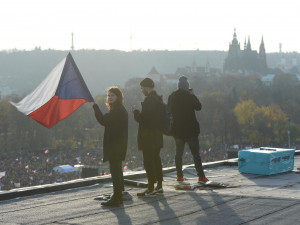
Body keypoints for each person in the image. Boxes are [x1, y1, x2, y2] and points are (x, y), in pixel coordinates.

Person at [168, 76, 209, 183]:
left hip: (177, 130)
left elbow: (168, 110)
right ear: (187, 87)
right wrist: (193, 95)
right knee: (196, 154)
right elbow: (199, 107)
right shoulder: (189, 96)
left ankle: (179, 176)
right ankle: (201, 176)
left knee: (178, 154)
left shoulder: (172, 96)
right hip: (190, 130)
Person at [93, 86, 128, 207]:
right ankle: (118, 197)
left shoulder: (117, 111)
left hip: (115, 146)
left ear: (118, 97)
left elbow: (103, 120)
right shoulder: (119, 109)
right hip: (118, 145)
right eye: (109, 95)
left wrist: (95, 108)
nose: (110, 97)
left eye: (112, 95)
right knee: (117, 171)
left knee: (115, 172)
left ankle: (116, 198)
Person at [132, 78, 164, 196]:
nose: (141, 90)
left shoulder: (149, 101)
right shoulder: (158, 99)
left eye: (142, 88)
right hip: (157, 135)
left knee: (148, 162)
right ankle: (159, 185)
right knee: (156, 160)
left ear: (146, 87)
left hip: (148, 136)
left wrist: (135, 112)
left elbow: (143, 119)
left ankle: (151, 187)